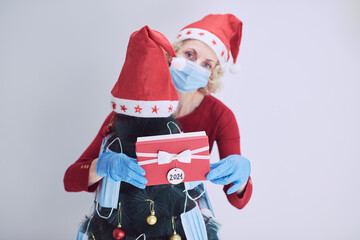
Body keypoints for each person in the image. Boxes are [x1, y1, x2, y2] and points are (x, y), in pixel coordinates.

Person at [64, 14, 252, 239]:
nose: (194, 66)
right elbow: (71, 179)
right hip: (124, 225)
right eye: (189, 54)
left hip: (183, 227)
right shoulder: (133, 108)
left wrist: (241, 176)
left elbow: (238, 199)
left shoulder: (221, 116)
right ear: (173, 54)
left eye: (206, 64)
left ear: (213, 73)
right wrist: (103, 166)